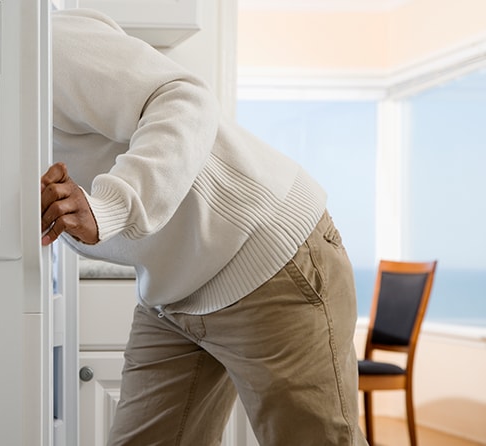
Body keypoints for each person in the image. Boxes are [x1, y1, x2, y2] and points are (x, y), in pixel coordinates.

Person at [40, 8, 368, 446]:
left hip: (269, 262)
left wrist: (111, 205)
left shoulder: (46, 44)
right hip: (172, 294)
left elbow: (183, 98)